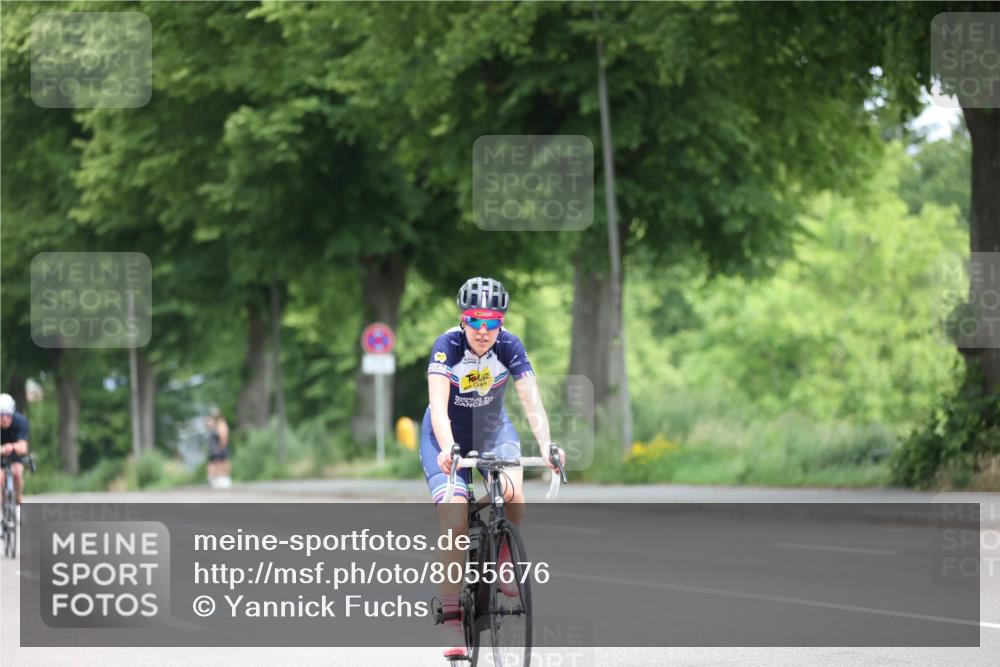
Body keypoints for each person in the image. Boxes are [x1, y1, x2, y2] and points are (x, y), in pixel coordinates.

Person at [420, 277, 565, 659]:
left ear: (501, 322)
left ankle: (504, 555)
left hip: (492, 428)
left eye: (492, 322)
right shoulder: (446, 347)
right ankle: (452, 615)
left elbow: (531, 401)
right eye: (475, 321)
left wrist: (547, 445)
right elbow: (438, 406)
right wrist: (449, 445)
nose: (483, 331)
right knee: (454, 522)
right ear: (462, 319)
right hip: (445, 434)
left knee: (514, 490)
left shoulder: (509, 345)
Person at [0, 393, 30, 524]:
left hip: (14, 452)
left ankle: (18, 503)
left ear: (12, 414)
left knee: (17, 473)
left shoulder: (21, 421)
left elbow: (23, 447)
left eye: (7, 415)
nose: (4, 419)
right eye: (0, 415)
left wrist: (11, 447)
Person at [205, 408, 231, 489]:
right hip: (215, 448)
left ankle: (223, 479)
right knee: (216, 462)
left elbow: (223, 437)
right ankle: (217, 479)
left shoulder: (222, 424)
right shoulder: (215, 424)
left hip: (220, 447)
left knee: (222, 462)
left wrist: (222, 446)